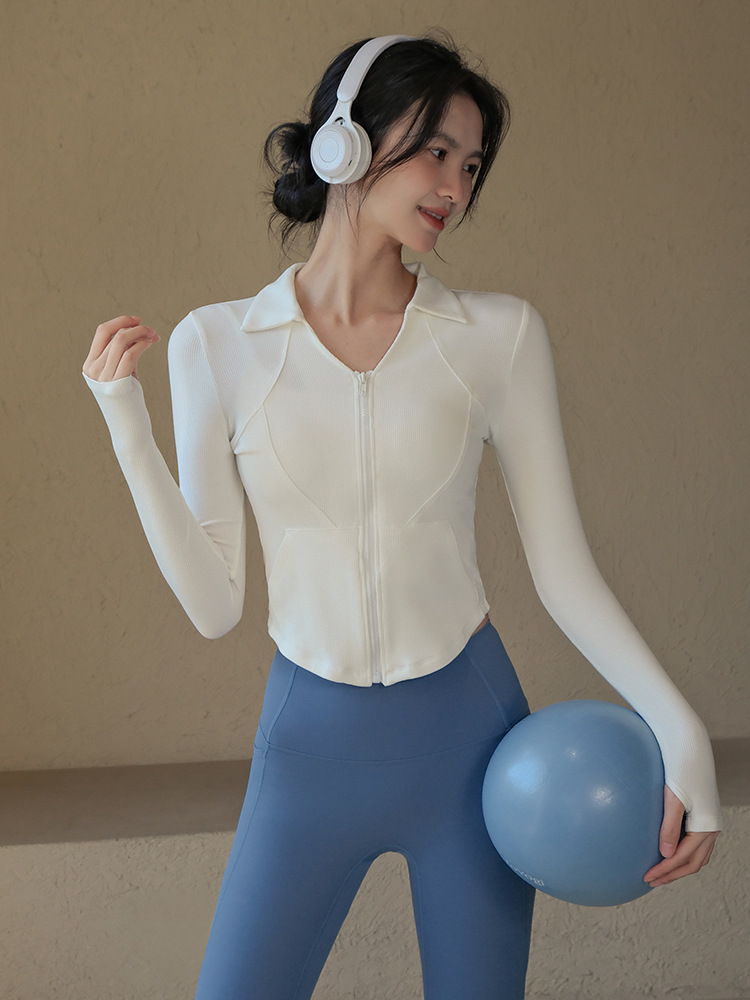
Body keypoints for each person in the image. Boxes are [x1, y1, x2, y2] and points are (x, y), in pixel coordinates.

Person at [83, 33, 721, 1000]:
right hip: (308, 750)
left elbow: (564, 572)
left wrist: (681, 732)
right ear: (345, 141)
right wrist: (126, 424)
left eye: (472, 166)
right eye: (435, 152)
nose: (455, 186)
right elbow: (214, 607)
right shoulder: (219, 343)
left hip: (474, 746)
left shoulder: (498, 336)